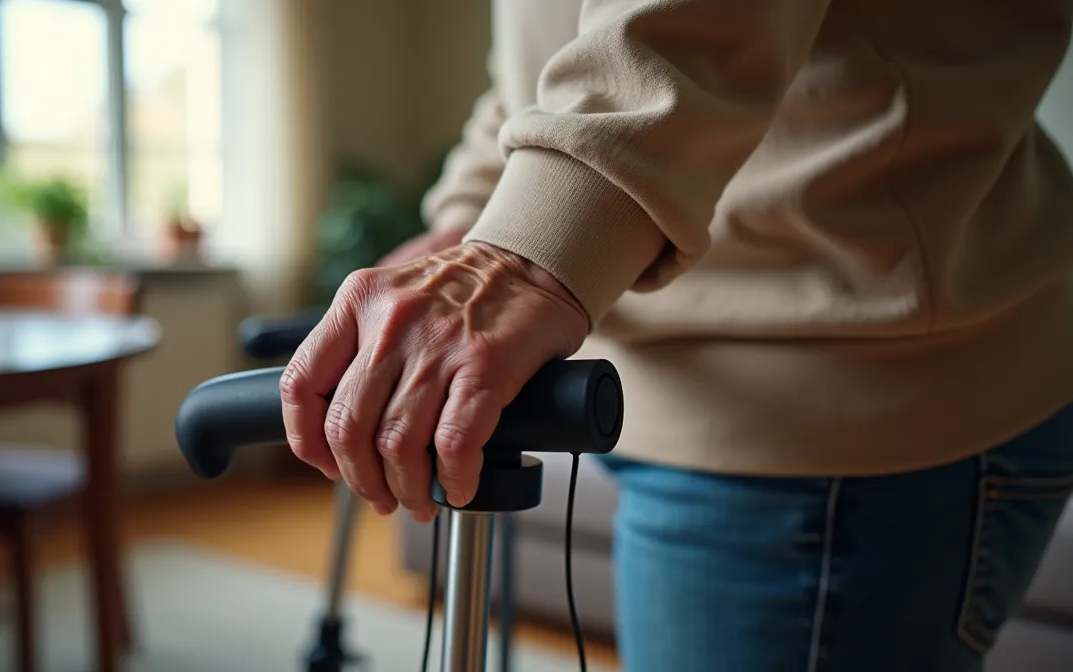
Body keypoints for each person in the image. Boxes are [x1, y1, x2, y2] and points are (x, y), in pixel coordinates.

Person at [280, 0, 1073, 669]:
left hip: (825, 408)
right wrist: (467, 225)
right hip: (675, 385)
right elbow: (552, 53)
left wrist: (524, 254)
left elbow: (682, 25)